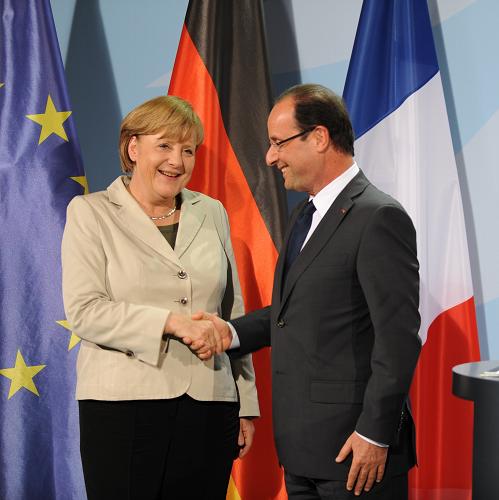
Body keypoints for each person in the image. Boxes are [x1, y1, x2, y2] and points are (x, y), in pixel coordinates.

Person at [194, 84, 421, 499]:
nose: (269, 156)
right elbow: (290, 311)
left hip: (356, 452)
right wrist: (231, 333)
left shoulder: (379, 217)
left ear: (319, 138)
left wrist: (375, 433)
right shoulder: (305, 213)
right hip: (303, 451)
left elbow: (398, 339)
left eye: (278, 143)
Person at [61, 95, 259, 500]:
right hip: (124, 406)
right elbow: (85, 311)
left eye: (188, 150)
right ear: (133, 148)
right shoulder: (90, 213)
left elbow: (231, 311)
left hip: (210, 402)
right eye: (164, 146)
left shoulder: (212, 212)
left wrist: (244, 402)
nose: (178, 161)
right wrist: (168, 323)